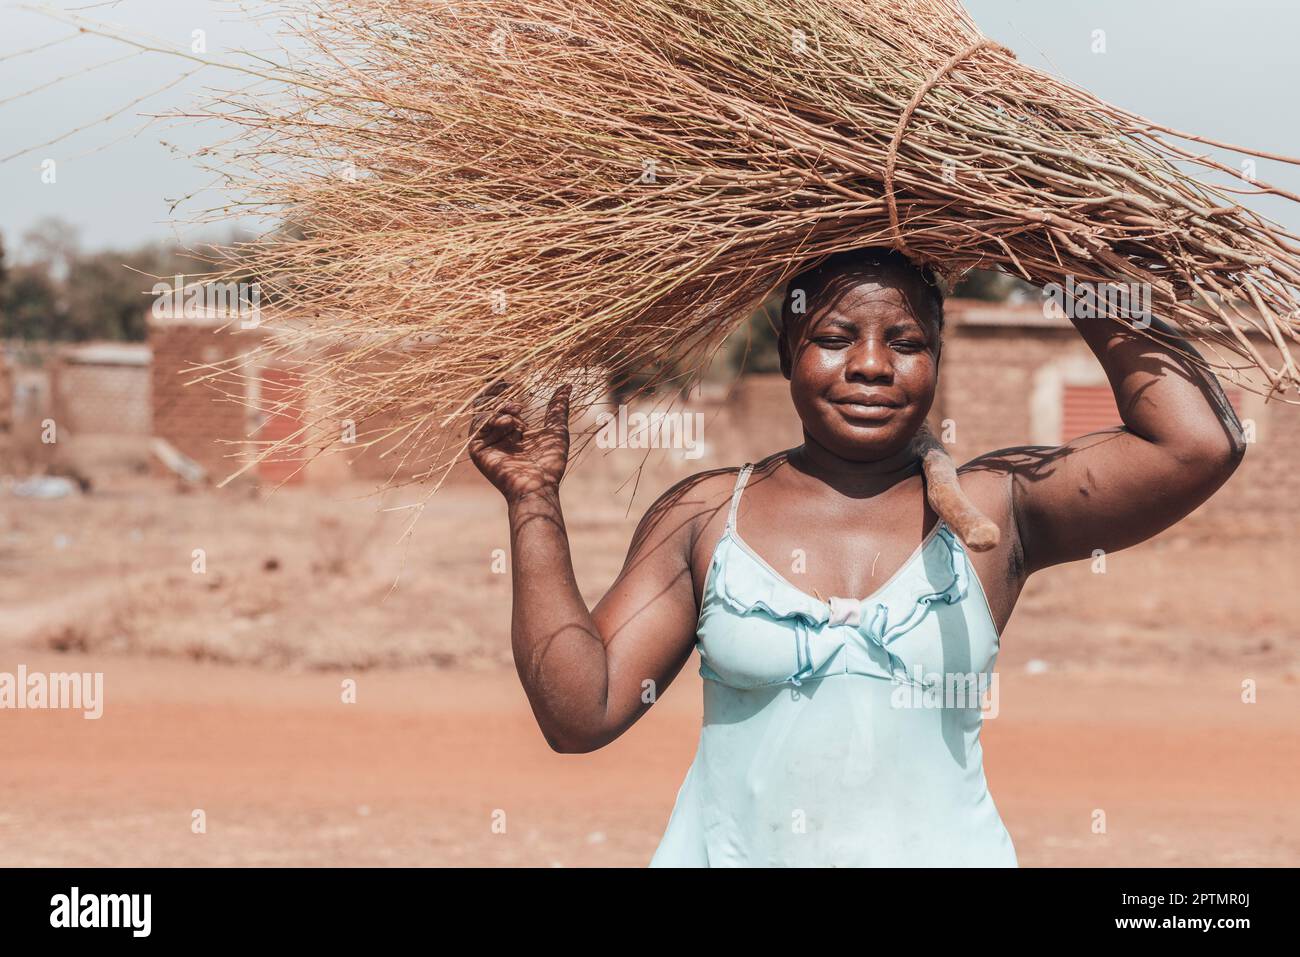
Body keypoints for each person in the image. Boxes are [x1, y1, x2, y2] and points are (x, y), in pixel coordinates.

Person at [468, 247, 1246, 867]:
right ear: (786, 349)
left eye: (905, 342)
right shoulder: (707, 516)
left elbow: (1198, 443)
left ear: (938, 356)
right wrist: (532, 499)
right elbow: (580, 712)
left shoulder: (999, 507)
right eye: (836, 338)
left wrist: (1057, 258)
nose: (871, 364)